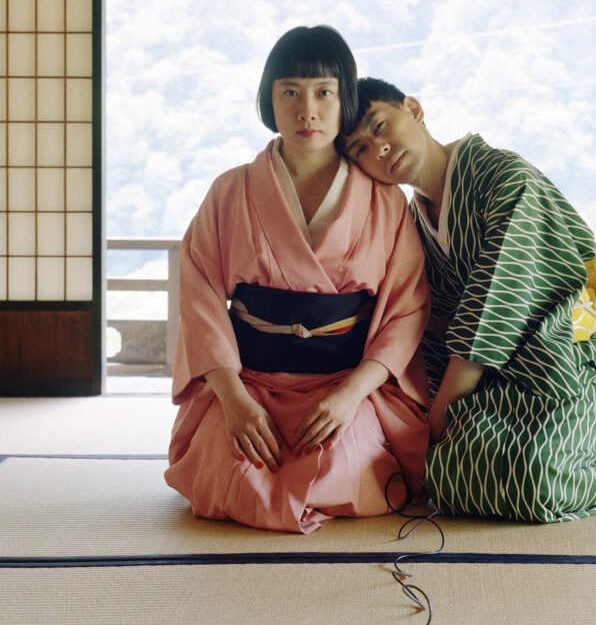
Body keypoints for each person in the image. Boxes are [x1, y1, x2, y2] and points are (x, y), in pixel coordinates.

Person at [165, 30, 430, 534]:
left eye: (323, 92)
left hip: (341, 385)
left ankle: (346, 428)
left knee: (346, 469)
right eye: (290, 92)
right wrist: (234, 400)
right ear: (268, 99)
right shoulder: (230, 191)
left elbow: (406, 309)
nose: (307, 109)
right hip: (251, 384)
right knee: (232, 475)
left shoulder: (385, 201)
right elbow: (199, 295)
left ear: (343, 98)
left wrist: (352, 394)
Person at [342, 78, 596, 524]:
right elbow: (421, 318)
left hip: (565, 363)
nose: (378, 149)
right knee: (387, 454)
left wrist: (434, 426)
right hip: (482, 382)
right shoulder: (413, 223)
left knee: (532, 476)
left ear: (414, 108)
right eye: (360, 149)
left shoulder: (505, 179)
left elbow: (491, 311)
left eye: (379, 126)